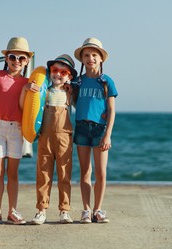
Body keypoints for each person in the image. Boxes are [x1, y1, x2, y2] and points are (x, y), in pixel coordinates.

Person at [0, 37, 34, 225]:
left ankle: (12, 210)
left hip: (17, 129)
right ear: (6, 58)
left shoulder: (28, 83)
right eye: (13, 57)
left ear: (27, 61)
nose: (17, 61)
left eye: (21, 58)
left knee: (13, 173)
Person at [21, 54, 77, 225]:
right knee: (43, 173)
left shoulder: (70, 92)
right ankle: (41, 210)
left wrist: (73, 91)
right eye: (55, 70)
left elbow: (79, 106)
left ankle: (64, 210)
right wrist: (26, 89)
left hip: (64, 136)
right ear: (49, 72)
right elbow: (27, 107)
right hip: (45, 135)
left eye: (63, 72)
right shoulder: (43, 90)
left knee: (64, 173)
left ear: (69, 76)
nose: (58, 74)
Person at [73, 38, 118, 223]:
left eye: (94, 55)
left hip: (100, 130)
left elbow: (112, 109)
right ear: (82, 59)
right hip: (82, 128)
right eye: (86, 55)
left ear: (101, 59)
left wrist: (108, 134)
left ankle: (98, 209)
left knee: (101, 172)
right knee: (85, 171)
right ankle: (86, 209)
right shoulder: (78, 81)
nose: (90, 58)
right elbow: (75, 103)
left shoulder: (106, 81)